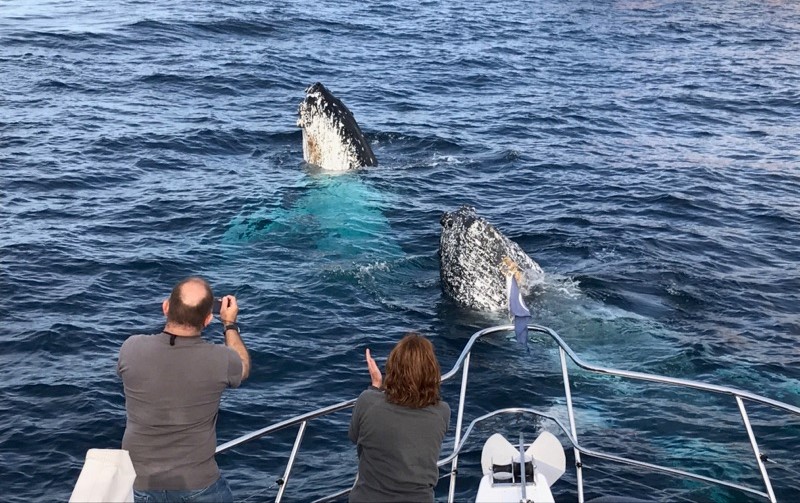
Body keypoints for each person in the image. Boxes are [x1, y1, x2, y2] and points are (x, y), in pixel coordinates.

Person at [117, 276, 250, 503]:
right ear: (208, 319)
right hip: (198, 483)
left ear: (166, 307)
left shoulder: (131, 347)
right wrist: (229, 324)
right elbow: (243, 366)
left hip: (141, 483)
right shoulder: (221, 360)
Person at [348, 332, 451, 503]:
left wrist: (375, 387)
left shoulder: (367, 401)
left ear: (393, 368)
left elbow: (354, 436)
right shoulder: (442, 412)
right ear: (432, 373)